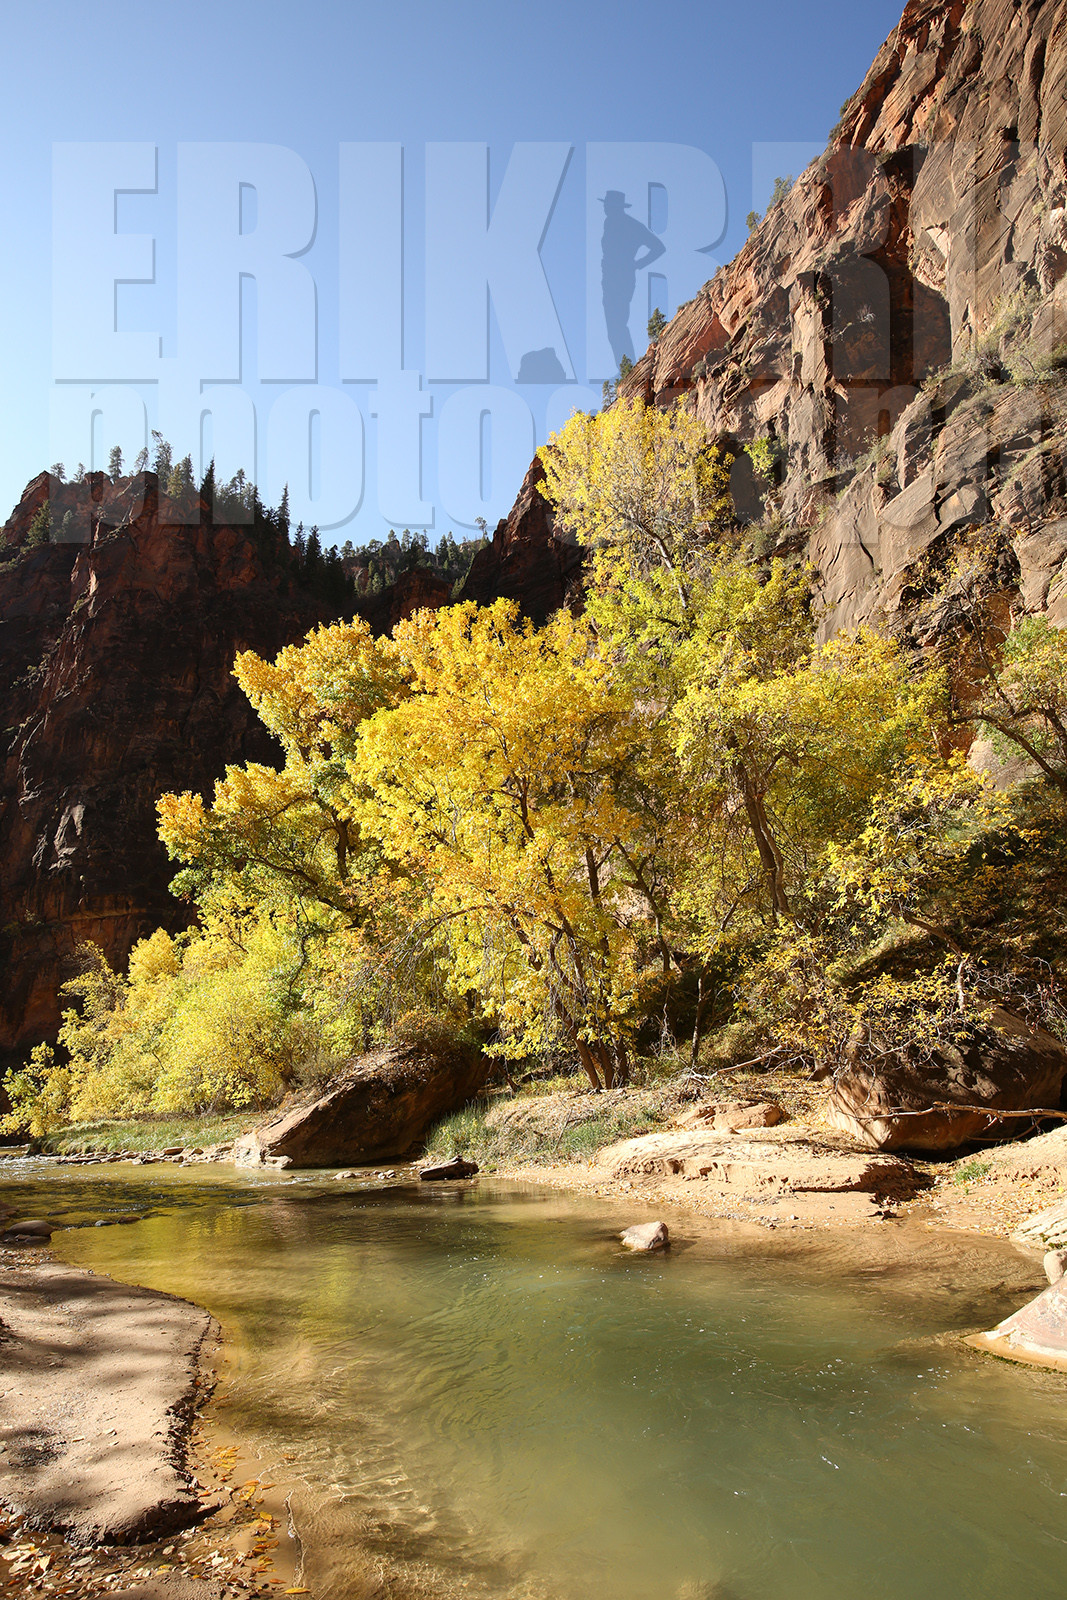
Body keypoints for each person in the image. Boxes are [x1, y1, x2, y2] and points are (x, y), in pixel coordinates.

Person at [600, 190, 666, 370]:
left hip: (621, 278)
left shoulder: (631, 225)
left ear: (614, 207)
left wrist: (637, 264)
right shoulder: (610, 223)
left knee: (617, 326)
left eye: (607, 204)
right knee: (614, 328)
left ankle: (628, 370)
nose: (605, 208)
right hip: (610, 279)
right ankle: (625, 369)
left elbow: (659, 247)